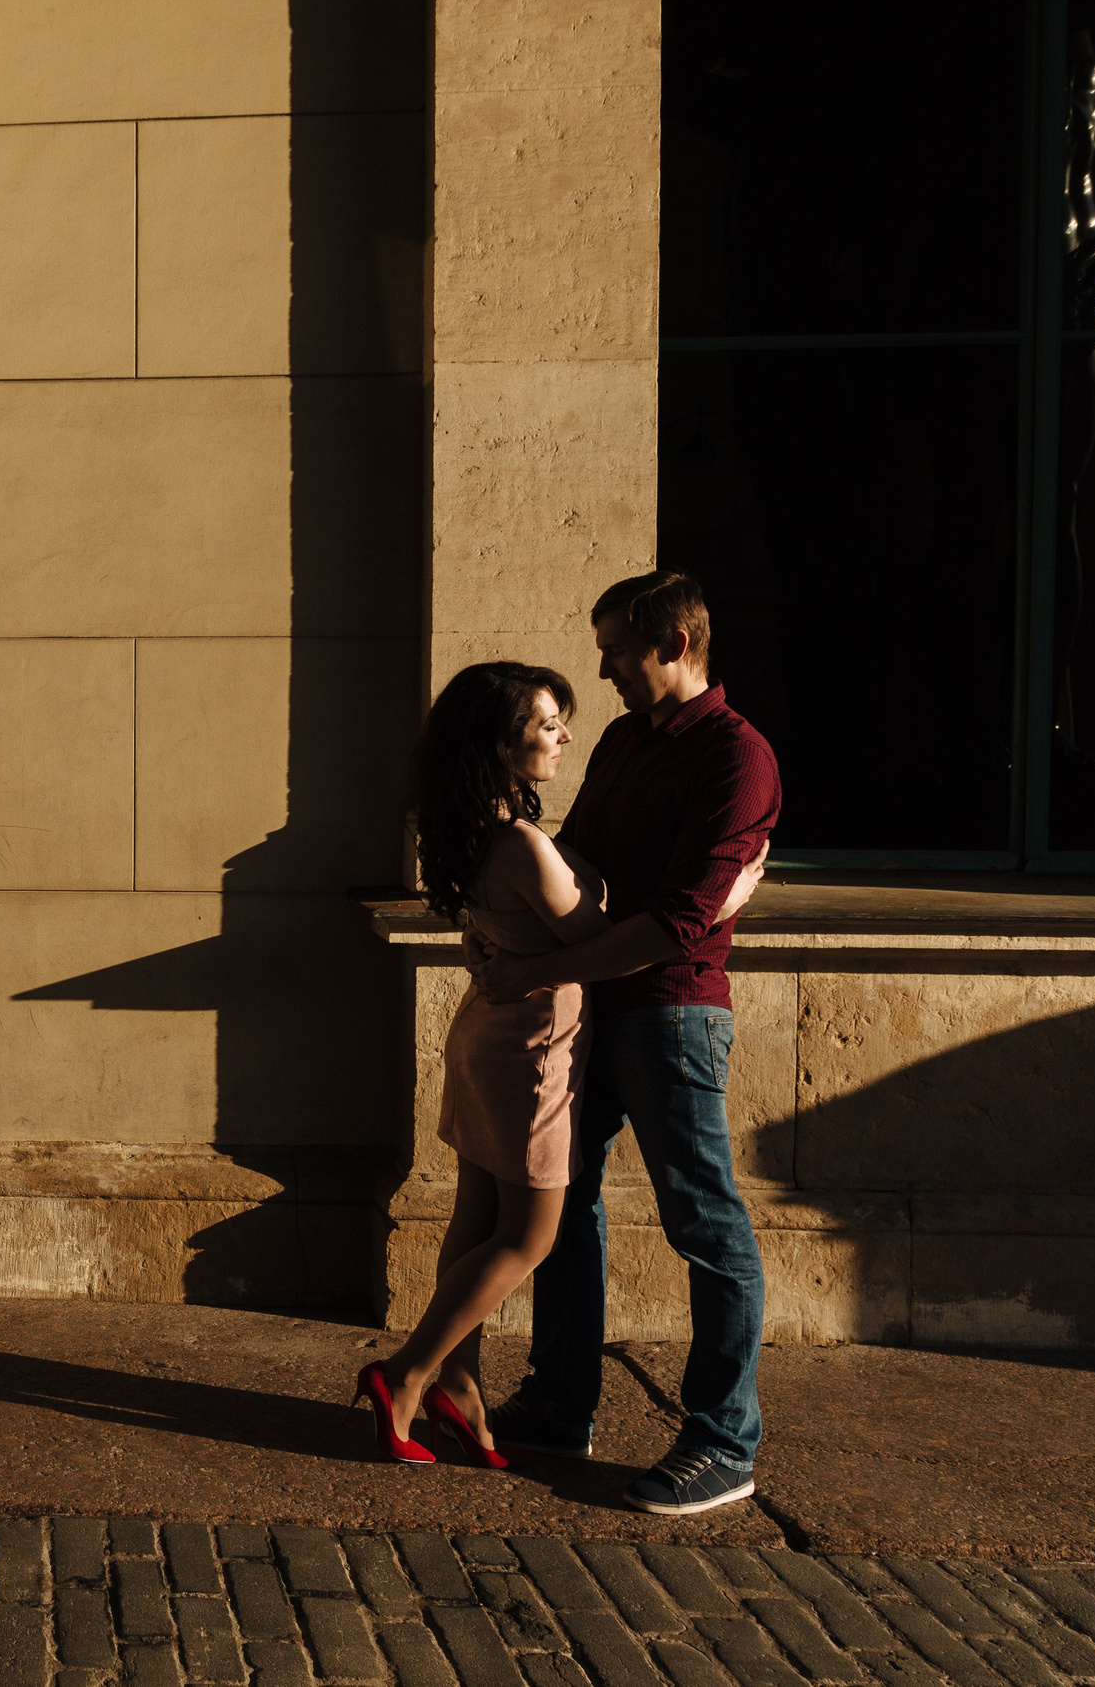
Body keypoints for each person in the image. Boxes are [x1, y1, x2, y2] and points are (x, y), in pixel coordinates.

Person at [354, 659, 763, 1472]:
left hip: (493, 1037)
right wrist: (727, 896)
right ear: (504, 742)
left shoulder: (483, 832)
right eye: (548, 724)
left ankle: (459, 1383)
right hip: (532, 1051)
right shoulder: (523, 845)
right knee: (532, 1236)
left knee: (476, 1220)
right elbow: (609, 940)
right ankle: (406, 1373)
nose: (566, 735)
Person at [467, 570, 781, 1517]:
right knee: (568, 1202)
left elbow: (680, 921)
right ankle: (564, 1402)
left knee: (706, 1220)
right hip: (595, 1001)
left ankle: (725, 1441)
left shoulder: (737, 756)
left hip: (674, 1012)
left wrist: (536, 967)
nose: (601, 669)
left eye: (615, 649)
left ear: (675, 644)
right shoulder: (621, 743)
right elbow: (585, 860)